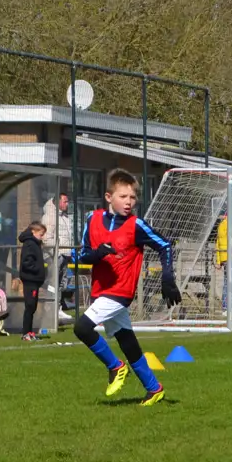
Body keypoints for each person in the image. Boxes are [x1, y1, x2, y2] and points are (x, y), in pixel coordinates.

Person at [71, 168, 179, 405]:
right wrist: (97, 254)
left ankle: (115, 367)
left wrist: (167, 277)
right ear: (108, 197)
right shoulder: (92, 220)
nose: (129, 202)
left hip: (120, 292)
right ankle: (154, 388)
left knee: (82, 328)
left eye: (132, 197)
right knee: (127, 341)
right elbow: (80, 256)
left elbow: (165, 245)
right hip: (100, 290)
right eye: (123, 196)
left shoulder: (136, 225)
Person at [17, 219, 48, 339]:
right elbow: (27, 262)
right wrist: (38, 270)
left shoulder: (35, 243)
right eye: (41, 234)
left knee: (32, 306)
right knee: (30, 306)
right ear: (33, 231)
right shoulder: (30, 244)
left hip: (34, 280)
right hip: (30, 279)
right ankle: (26, 333)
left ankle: (29, 332)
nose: (42, 237)